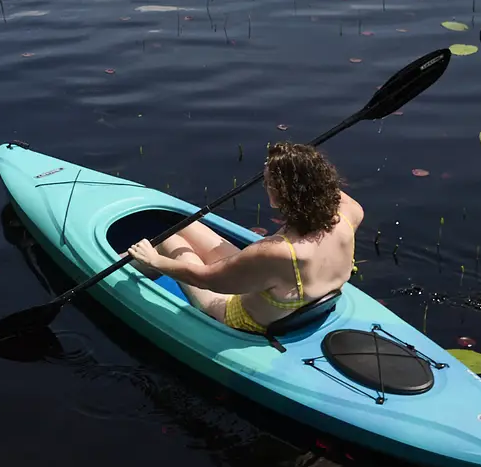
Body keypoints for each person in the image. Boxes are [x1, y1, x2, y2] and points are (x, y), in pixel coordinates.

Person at [127, 142, 360, 334]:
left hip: (238, 316)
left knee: (170, 241)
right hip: (296, 293)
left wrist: (154, 261)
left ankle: (127, 267)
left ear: (277, 197)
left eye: (267, 183)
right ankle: (135, 258)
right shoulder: (350, 213)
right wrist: (297, 162)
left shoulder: (276, 251)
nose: (265, 186)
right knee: (186, 226)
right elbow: (323, 188)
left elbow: (205, 279)